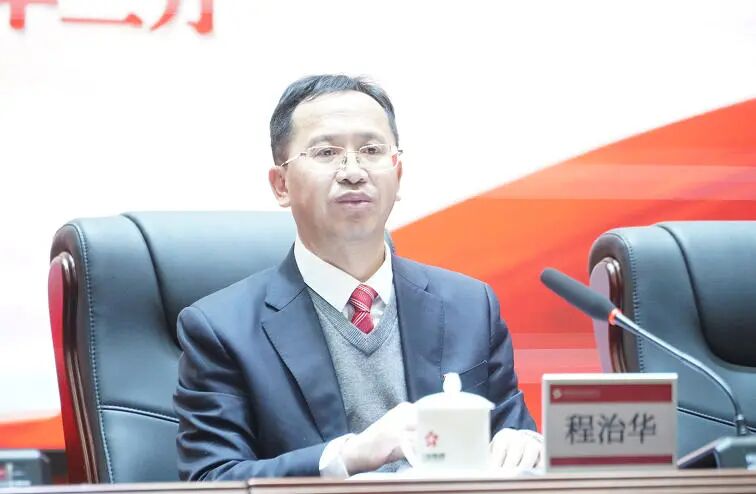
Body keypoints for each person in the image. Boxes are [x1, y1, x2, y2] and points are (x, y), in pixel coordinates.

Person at [174, 74, 543, 480]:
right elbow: (211, 479)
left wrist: (524, 446)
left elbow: (510, 431)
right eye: (326, 152)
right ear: (281, 185)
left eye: (371, 150)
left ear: (397, 175)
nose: (353, 172)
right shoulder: (221, 329)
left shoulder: (469, 307)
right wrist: (346, 456)